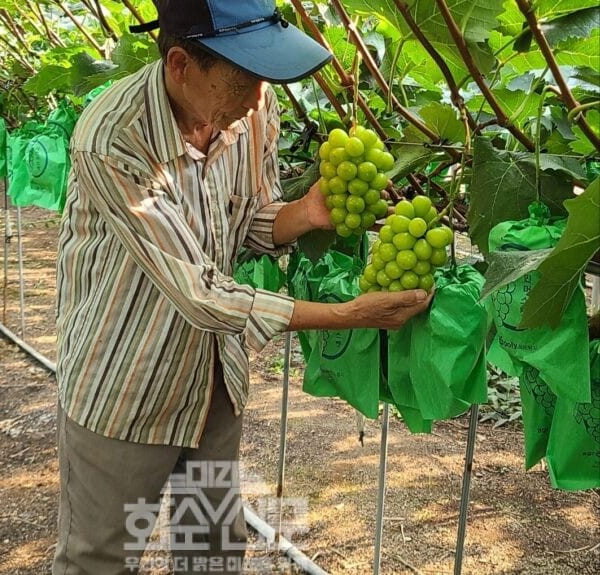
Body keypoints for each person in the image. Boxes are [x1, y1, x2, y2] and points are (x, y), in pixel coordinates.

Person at [53, 1, 432, 573]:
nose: (260, 98)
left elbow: (246, 221)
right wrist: (351, 314)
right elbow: (199, 292)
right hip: (125, 383)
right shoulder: (113, 138)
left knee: (212, 547)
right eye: (245, 77)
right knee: (102, 557)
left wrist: (303, 213)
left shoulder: (253, 108)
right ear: (181, 64)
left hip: (211, 380)